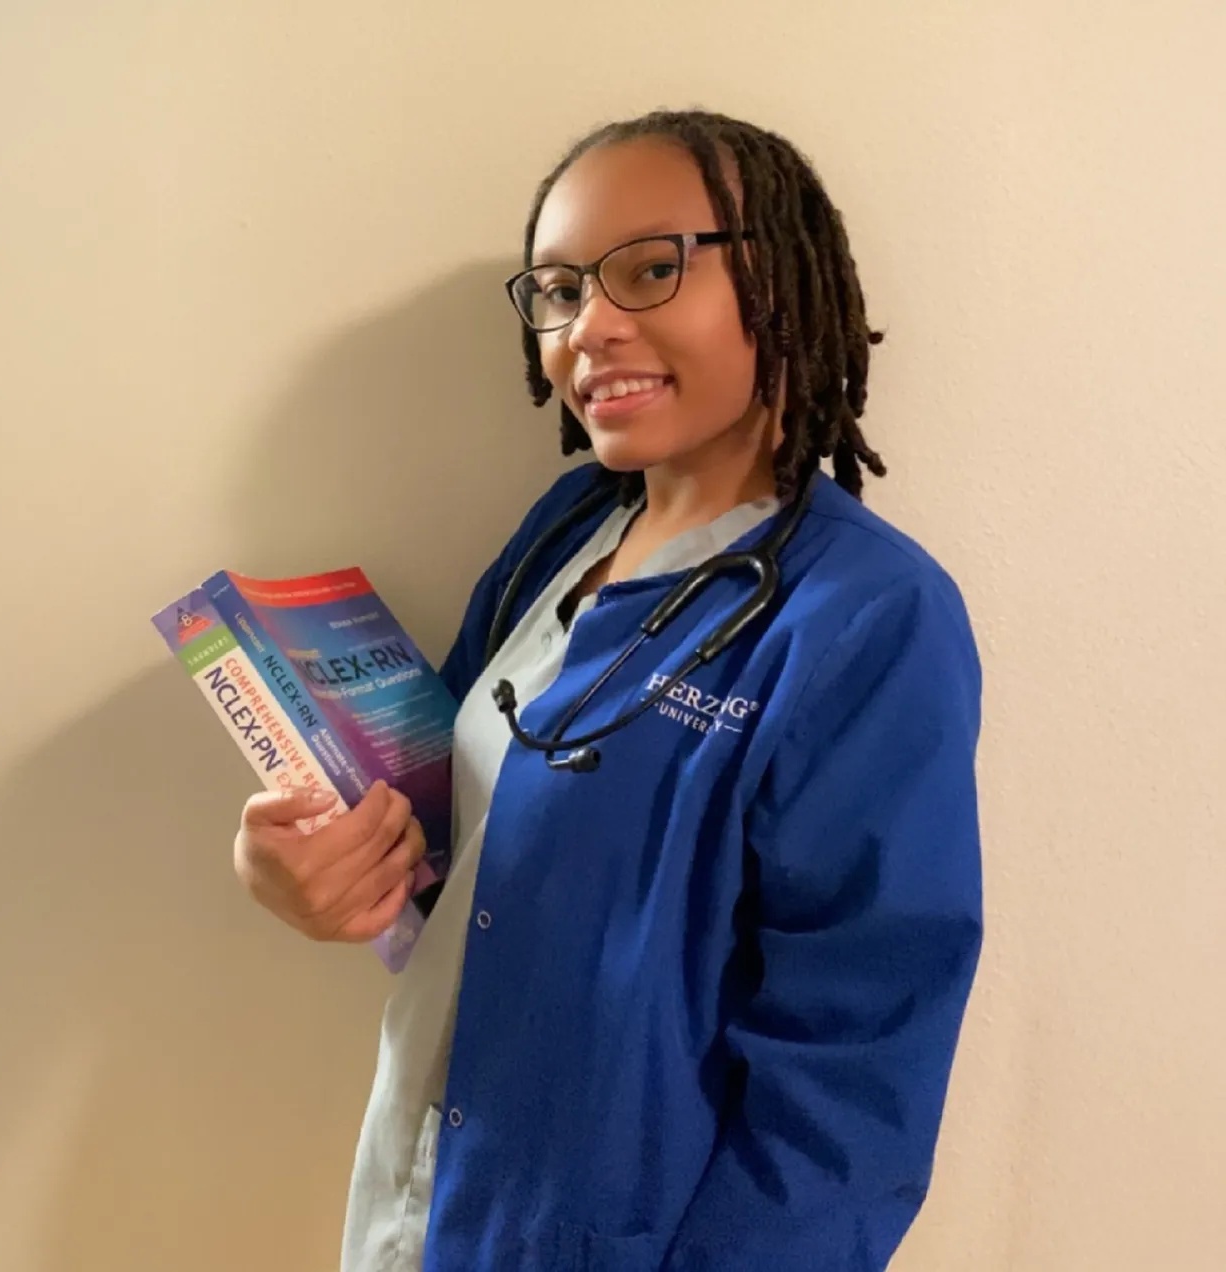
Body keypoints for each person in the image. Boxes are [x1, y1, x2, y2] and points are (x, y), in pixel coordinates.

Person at [234, 108, 984, 1272]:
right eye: (558, 289)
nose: (591, 328)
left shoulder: (868, 619)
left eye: (650, 270)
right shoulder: (568, 529)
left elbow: (854, 1080)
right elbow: (444, 843)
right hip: (419, 1206)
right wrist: (302, 868)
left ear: (780, 278)